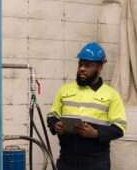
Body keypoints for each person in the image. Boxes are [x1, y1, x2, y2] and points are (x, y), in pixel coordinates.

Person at [47, 42, 126, 170]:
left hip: (96, 162)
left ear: (100, 67)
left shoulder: (111, 95)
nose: (82, 69)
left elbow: (119, 128)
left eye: (88, 65)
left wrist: (95, 133)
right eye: (80, 64)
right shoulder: (64, 90)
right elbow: (52, 115)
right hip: (67, 161)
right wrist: (55, 125)